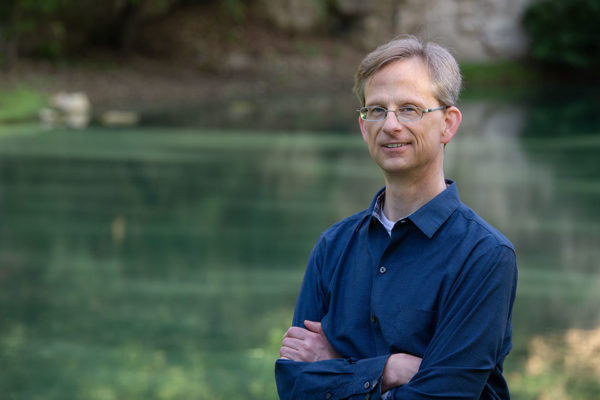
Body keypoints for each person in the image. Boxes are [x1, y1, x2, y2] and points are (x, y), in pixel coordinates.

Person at [274, 35, 518, 400]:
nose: (390, 125)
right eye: (376, 110)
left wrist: (338, 366)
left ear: (448, 124)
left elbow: (442, 396)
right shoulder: (333, 246)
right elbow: (295, 387)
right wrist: (389, 370)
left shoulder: (484, 256)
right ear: (363, 127)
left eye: (409, 109)